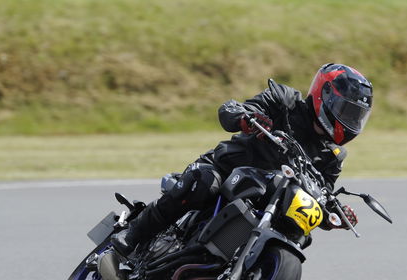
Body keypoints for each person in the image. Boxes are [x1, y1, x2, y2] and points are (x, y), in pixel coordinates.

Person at [111, 63, 374, 257]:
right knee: (203, 183)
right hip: (227, 170)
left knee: (300, 233)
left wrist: (332, 213)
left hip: (268, 199)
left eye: (356, 115)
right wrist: (245, 117)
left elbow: (322, 191)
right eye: (347, 110)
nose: (349, 120)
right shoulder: (285, 101)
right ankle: (133, 234)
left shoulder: (333, 155)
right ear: (324, 94)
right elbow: (235, 109)